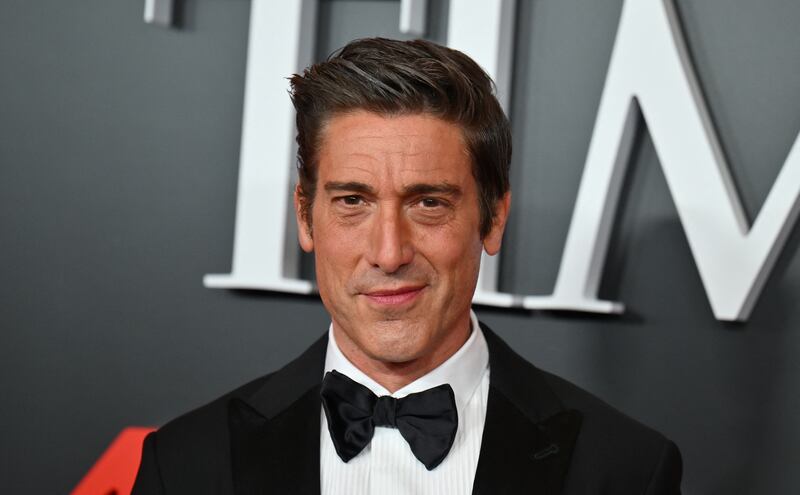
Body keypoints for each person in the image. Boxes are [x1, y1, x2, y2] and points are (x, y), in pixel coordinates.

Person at [132, 37, 682, 494]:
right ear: (305, 216)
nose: (390, 253)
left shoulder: (625, 471)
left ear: (492, 219)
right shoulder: (186, 465)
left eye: (429, 203)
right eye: (353, 201)